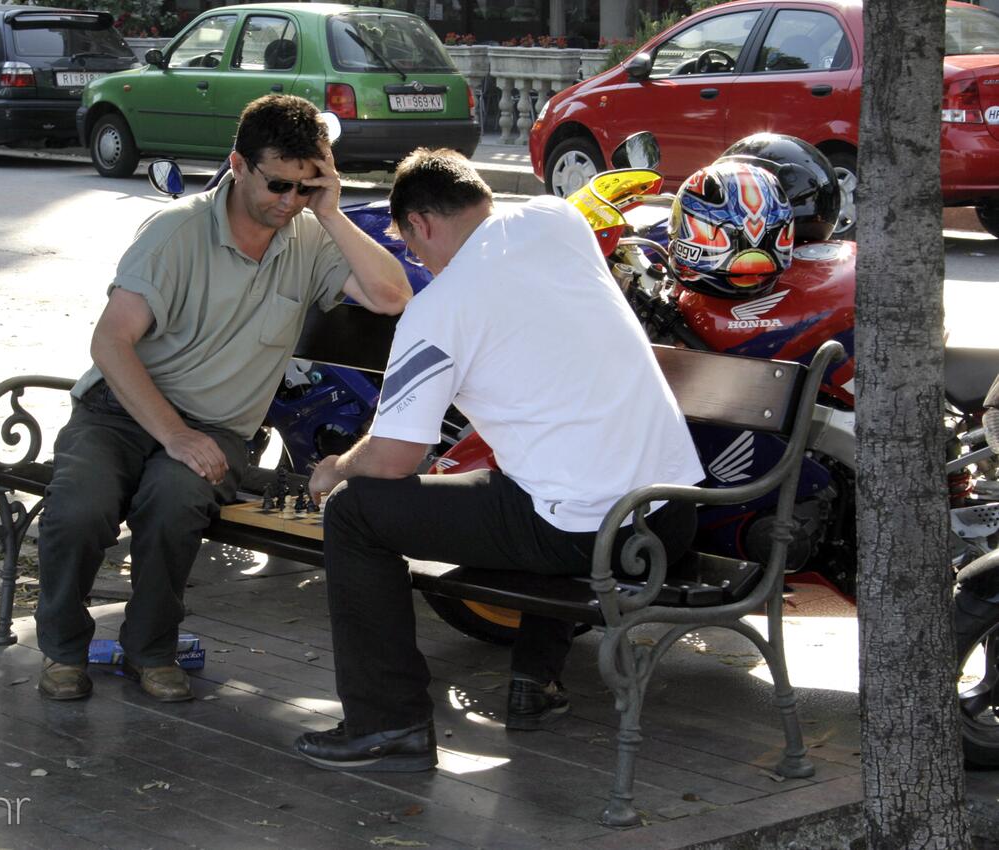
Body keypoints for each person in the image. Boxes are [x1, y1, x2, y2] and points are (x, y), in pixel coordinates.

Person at [294, 148, 705, 772]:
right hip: (672, 514)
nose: (417, 261)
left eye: (409, 247)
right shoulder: (557, 221)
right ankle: (532, 681)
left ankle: (388, 723)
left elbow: (393, 463)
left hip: (589, 535)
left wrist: (334, 467)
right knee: (535, 474)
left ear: (421, 225)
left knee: (354, 513)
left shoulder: (439, 309)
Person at [34, 95, 411, 702]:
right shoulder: (176, 231)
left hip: (220, 430)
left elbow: (392, 297)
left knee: (175, 500)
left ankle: (149, 649)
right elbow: (110, 342)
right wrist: (173, 435)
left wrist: (332, 211)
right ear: (237, 164)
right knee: (81, 508)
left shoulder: (309, 236)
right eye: (278, 184)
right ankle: (62, 649)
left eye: (304, 187)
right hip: (122, 412)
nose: (289, 202)